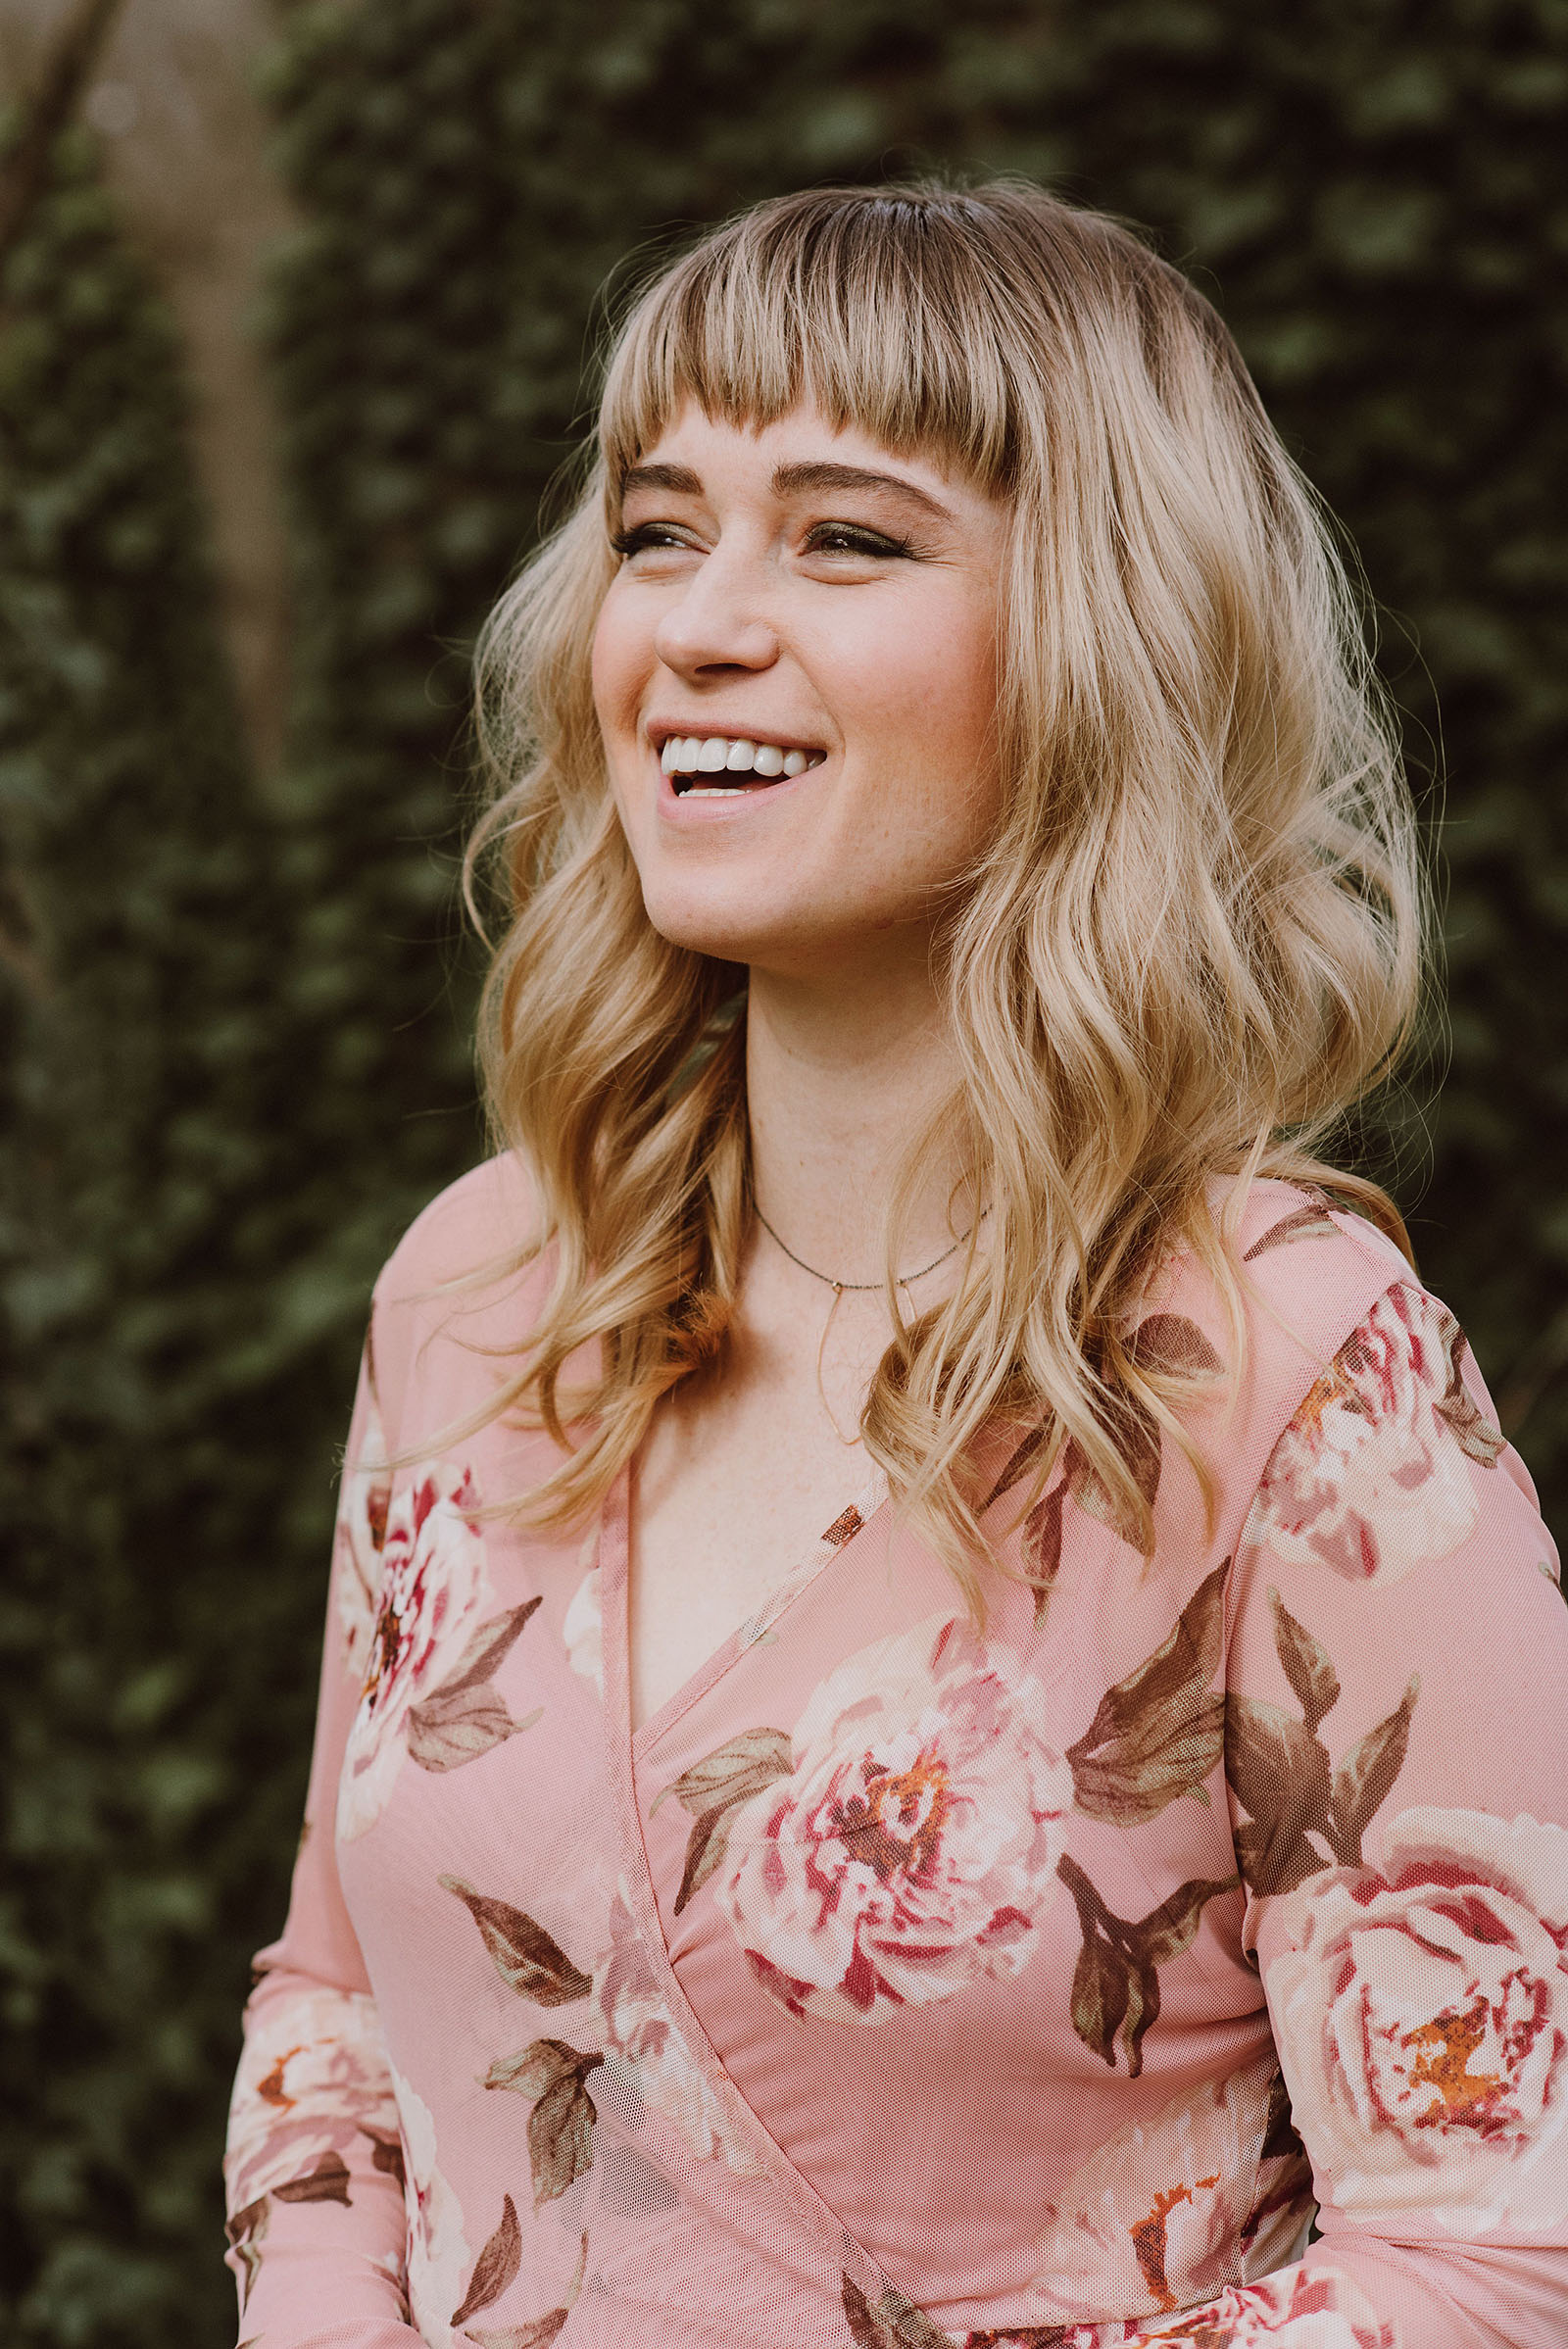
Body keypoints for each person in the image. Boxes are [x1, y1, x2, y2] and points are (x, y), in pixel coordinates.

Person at [221, 181, 1568, 2349]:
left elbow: (1499, 2247)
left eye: (846, 538)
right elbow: (343, 2000)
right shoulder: (478, 1296)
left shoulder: (1291, 1376)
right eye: (660, 529)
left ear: (1098, 641)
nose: (698, 623)